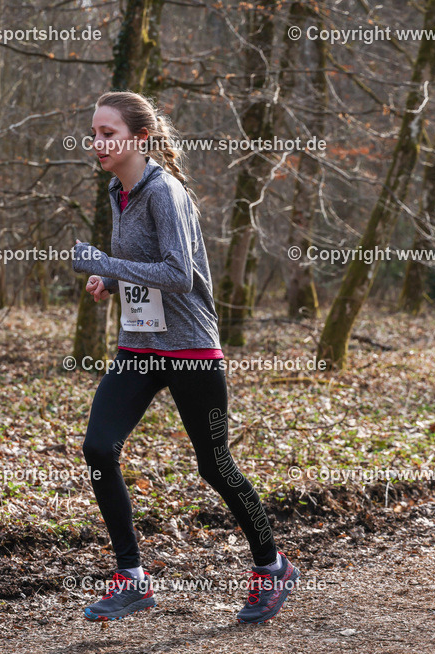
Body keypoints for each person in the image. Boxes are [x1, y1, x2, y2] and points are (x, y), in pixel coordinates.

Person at [71, 91, 298, 624]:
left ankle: (272, 565)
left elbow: (179, 274)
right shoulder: (117, 190)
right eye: (95, 133)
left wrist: (105, 260)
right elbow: (137, 260)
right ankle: (132, 578)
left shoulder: (164, 192)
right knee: (99, 448)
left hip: (191, 348)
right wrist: (109, 275)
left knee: (214, 465)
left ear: (139, 139)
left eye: (109, 133)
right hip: (140, 345)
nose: (98, 142)